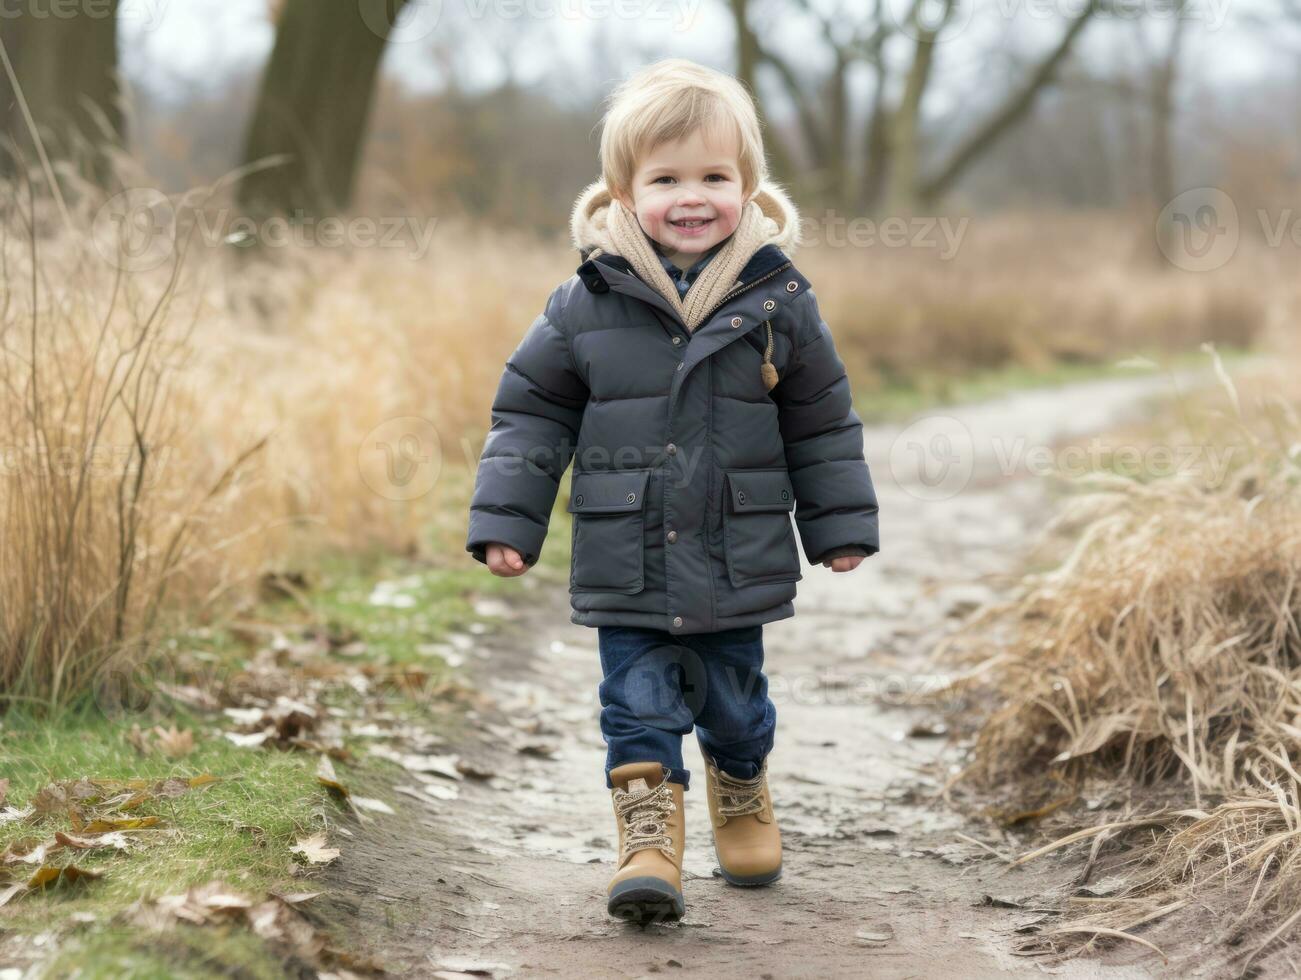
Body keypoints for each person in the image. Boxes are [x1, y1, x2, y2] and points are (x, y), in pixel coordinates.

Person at [465, 58, 879, 924]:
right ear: (622, 193)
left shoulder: (779, 303)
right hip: (627, 552)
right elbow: (531, 416)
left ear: (749, 187)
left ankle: (738, 782)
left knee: (733, 699)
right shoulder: (583, 302)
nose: (691, 197)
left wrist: (837, 525)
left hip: (738, 547)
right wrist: (509, 520)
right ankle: (649, 838)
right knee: (635, 703)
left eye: (713, 177)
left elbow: (821, 422)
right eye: (665, 179)